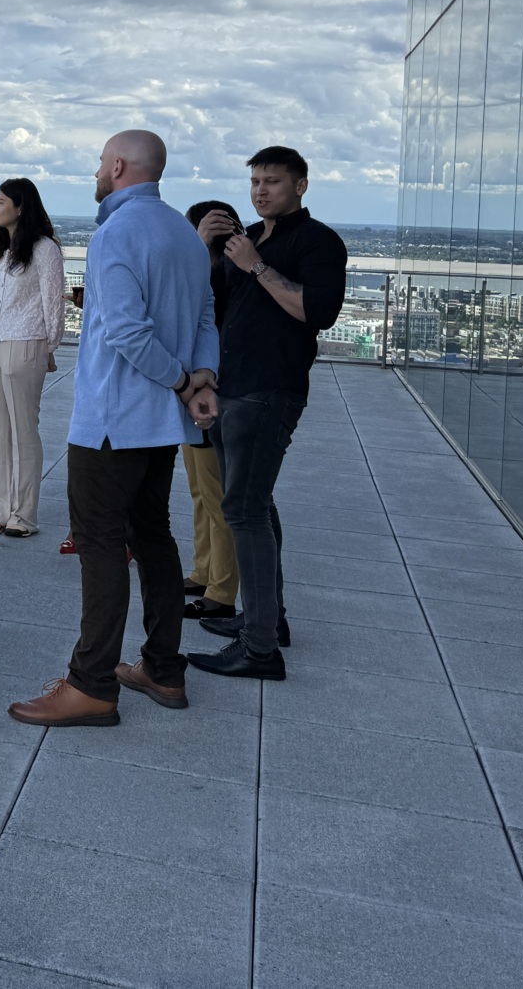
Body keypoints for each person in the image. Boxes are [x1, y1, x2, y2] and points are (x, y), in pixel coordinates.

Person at [8, 130, 217, 727]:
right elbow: (203, 316)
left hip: (112, 421)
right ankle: (163, 667)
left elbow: (126, 333)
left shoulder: (115, 233)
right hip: (159, 426)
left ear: (120, 165)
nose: (98, 170)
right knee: (153, 537)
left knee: (101, 545)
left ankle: (92, 683)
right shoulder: (181, 230)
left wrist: (181, 380)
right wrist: (202, 377)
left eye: (102, 161)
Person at [187, 146, 347, 681]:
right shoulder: (247, 239)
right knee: (256, 503)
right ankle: (267, 621)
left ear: (300, 186)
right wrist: (202, 248)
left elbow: (315, 312)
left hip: (270, 391)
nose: (260, 191)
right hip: (233, 390)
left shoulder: (318, 241)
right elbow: (213, 307)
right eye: (255, 181)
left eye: (272, 182)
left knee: (245, 511)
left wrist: (255, 267)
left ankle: (259, 649)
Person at [0, 177, 65, 538]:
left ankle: (23, 515)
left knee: (24, 431)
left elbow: (53, 304)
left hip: (26, 342)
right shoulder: (0, 248)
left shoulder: (45, 249)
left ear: (20, 206)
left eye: (1, 201)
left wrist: (49, 347)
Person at [179, 199, 243, 620]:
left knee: (216, 496)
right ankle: (205, 570)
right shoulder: (210, 268)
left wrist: (198, 250)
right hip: (194, 392)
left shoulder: (229, 272)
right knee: (201, 491)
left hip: (215, 391)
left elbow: (194, 306)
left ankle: (221, 590)